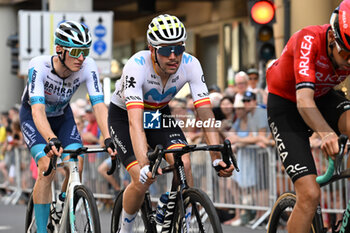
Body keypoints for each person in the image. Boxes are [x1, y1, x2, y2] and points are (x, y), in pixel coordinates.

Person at [108, 14, 234, 233]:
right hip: (124, 116)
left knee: (183, 163)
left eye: (179, 48)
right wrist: (144, 165)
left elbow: (205, 113)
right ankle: (125, 227)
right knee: (140, 178)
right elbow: (135, 124)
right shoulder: (137, 66)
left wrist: (216, 157)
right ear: (152, 50)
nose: (174, 56)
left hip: (157, 114)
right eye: (166, 50)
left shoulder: (191, 64)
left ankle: (175, 217)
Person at [19, 20, 116, 233]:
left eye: (85, 51)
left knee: (77, 164)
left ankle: (63, 203)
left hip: (63, 116)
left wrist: (108, 137)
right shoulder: (39, 65)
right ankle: (42, 229)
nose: (81, 58)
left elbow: (98, 104)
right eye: (75, 51)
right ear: (60, 50)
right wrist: (50, 138)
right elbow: (37, 110)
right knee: (47, 166)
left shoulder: (88, 66)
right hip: (35, 118)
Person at [266, 1, 350, 232]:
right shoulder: (308, 39)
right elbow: (303, 101)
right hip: (287, 105)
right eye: (346, 52)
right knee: (310, 194)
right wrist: (326, 133)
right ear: (333, 38)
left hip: (323, 97)